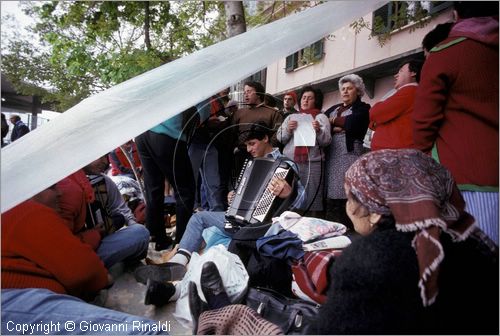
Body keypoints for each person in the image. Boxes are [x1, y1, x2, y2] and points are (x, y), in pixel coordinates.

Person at [315, 149, 498, 334]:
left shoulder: (368, 259)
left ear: (375, 212)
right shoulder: (470, 242)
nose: (348, 207)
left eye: (350, 198)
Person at [135, 122, 306, 305]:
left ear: (265, 139)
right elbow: (241, 193)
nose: (249, 149)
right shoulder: (251, 164)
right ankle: (178, 262)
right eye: (247, 145)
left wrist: (290, 193)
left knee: (218, 254)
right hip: (239, 220)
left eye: (252, 143)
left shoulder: (286, 165)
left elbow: (302, 200)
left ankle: (174, 290)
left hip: (263, 227)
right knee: (199, 218)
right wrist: (234, 196)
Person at [1, 186, 167, 335]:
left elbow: (69, 249)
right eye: (51, 188)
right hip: (18, 299)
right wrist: (100, 276)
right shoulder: (25, 210)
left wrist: (93, 235)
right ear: (30, 191)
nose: (59, 192)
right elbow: (84, 271)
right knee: (148, 332)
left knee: (138, 233)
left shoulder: (96, 184)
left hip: (72, 262)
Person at [413, 1, 499, 244]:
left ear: (455, 15)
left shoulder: (446, 52)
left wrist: (421, 163)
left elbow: (423, 121)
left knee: (475, 261)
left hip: (464, 174)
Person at [57, 156, 150, 269]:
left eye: (105, 157)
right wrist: (92, 235)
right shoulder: (64, 191)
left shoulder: (104, 181)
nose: (105, 162)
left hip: (100, 244)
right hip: (79, 255)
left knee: (137, 231)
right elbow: (65, 246)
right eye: (98, 157)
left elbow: (121, 208)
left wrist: (132, 224)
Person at [136, 106, 207, 251]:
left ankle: (156, 239)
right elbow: (203, 112)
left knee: (153, 190)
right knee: (185, 191)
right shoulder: (196, 83)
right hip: (167, 135)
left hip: (142, 133)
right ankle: (184, 243)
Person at [324, 74, 370, 229]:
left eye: (349, 88)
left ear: (358, 91)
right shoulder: (333, 109)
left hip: (349, 155)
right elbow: (321, 123)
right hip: (331, 155)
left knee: (347, 192)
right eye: (343, 89)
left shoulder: (363, 108)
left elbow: (354, 123)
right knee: (331, 193)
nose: (345, 91)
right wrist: (337, 126)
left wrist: (333, 123)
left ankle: (349, 228)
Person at [277, 85, 331, 217]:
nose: (305, 101)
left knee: (312, 198)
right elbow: (280, 138)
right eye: (304, 98)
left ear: (316, 101)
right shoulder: (291, 117)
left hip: (312, 163)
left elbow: (327, 141)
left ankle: (310, 228)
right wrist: (288, 129)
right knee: (290, 196)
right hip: (291, 163)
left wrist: (318, 130)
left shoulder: (321, 117)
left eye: (310, 98)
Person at [369, 59, 423, 151]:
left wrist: (376, 118)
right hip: (395, 152)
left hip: (395, 154)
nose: (396, 75)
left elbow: (375, 112)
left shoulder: (410, 90)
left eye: (401, 71)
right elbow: (374, 120)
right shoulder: (410, 92)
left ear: (413, 73)